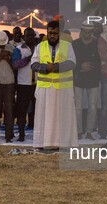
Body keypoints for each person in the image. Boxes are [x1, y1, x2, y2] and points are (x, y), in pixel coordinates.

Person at [31, 20, 78, 149]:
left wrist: (56, 67)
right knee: (43, 117)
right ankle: (43, 143)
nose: (52, 35)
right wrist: (46, 67)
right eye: (50, 33)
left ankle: (63, 143)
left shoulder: (67, 46)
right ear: (47, 32)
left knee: (63, 116)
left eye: (55, 33)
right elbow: (33, 64)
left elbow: (72, 63)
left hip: (63, 89)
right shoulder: (40, 46)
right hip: (45, 89)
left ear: (59, 34)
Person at [72, 23, 100, 140]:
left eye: (89, 32)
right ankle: (78, 131)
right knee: (78, 107)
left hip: (93, 78)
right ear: (82, 31)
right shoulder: (74, 44)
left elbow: (100, 60)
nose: (87, 34)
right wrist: (81, 67)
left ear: (92, 32)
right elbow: (71, 60)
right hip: (79, 78)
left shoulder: (97, 43)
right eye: (85, 32)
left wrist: (90, 66)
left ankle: (89, 131)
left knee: (92, 107)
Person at [12, 27, 36, 142]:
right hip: (24, 84)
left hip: (38, 83)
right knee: (22, 111)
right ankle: (21, 134)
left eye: (32, 35)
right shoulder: (19, 49)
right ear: (24, 37)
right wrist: (28, 59)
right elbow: (15, 64)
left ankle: (39, 135)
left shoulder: (40, 48)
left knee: (38, 111)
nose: (30, 37)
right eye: (28, 35)